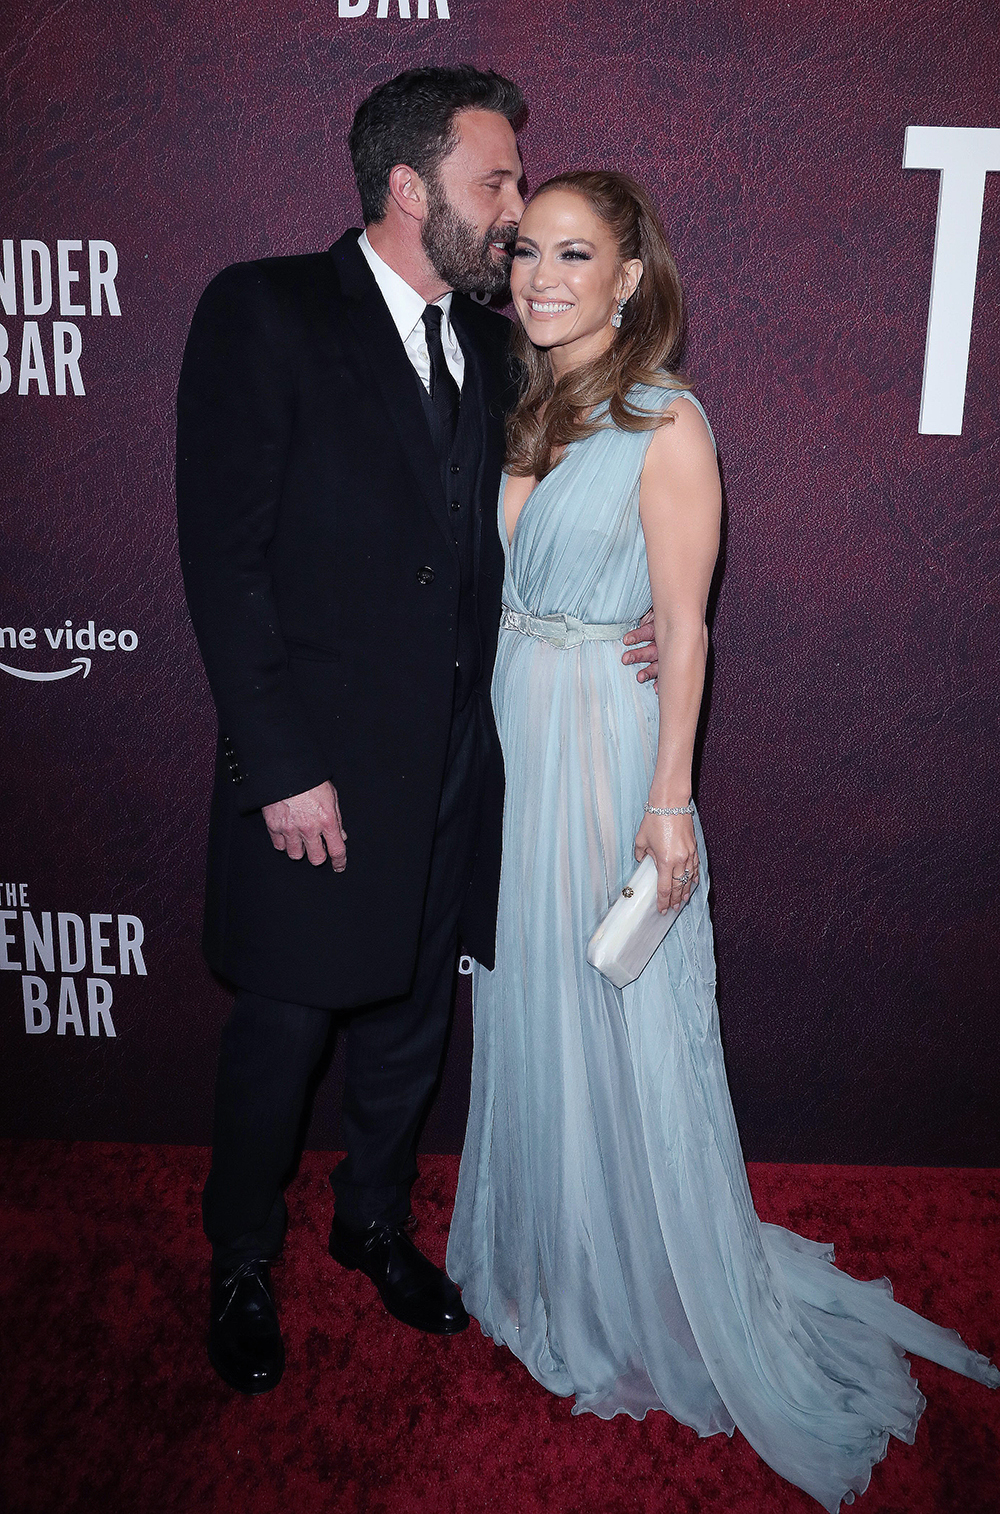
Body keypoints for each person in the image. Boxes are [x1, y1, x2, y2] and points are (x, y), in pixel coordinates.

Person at [446, 171, 998, 1512]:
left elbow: (686, 626)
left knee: (621, 1008)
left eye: (577, 253)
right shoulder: (505, 403)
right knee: (530, 1000)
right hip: (510, 735)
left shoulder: (668, 422)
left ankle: (653, 1273)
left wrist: (670, 800)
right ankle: (560, 1254)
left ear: (634, 277)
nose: (542, 274)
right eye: (528, 250)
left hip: (607, 754)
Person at [176, 67, 660, 1396]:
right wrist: (278, 766)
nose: (515, 210)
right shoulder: (263, 311)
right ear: (409, 188)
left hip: (459, 761)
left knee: (405, 1026)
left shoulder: (503, 348)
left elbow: (584, 506)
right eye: (496, 182)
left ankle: (373, 1220)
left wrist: (654, 612)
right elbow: (225, 566)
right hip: (312, 775)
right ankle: (240, 1254)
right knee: (280, 1030)